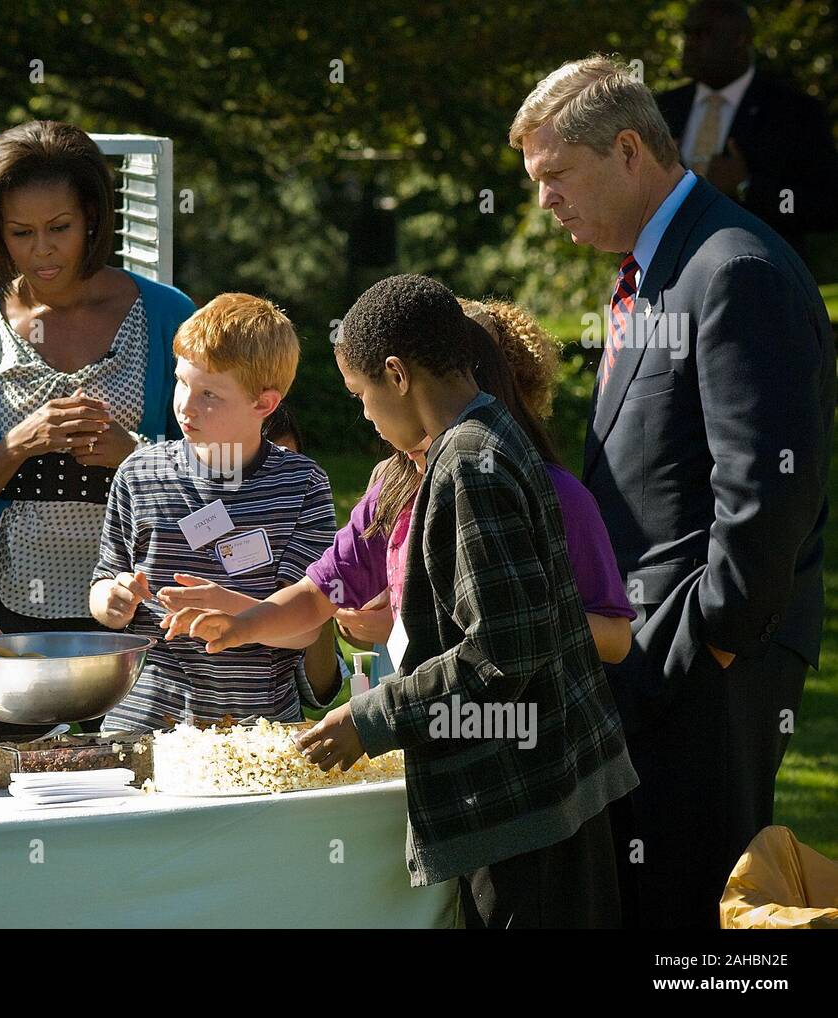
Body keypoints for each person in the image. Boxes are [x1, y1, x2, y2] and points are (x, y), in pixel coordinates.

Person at [191, 276, 639, 928]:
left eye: (361, 396)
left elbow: (500, 656)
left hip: (525, 812)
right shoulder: (492, 431)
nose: (365, 416)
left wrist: (368, 720)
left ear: (396, 374)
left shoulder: (466, 464)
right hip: (550, 792)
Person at [511, 54, 835, 927]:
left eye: (555, 177)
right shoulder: (663, 266)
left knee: (698, 920)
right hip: (652, 658)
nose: (546, 203)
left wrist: (698, 654)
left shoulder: (733, 270)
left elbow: (769, 499)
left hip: (710, 676)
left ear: (626, 149)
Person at [0, 121, 195, 739]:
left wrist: (134, 454)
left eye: (59, 228)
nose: (42, 250)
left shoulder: (167, 314)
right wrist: (19, 445)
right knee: (10, 796)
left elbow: (216, 476)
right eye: (20, 233)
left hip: (136, 601)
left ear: (94, 218)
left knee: (133, 795)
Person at [293, 299, 635, 670]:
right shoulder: (395, 488)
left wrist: (513, 619)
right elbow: (333, 588)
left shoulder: (559, 495)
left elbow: (614, 639)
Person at [90, 293, 339, 731]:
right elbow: (103, 579)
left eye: (209, 394)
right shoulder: (139, 473)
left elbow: (305, 628)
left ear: (264, 404)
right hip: (142, 722)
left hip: (254, 733)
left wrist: (232, 612)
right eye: (182, 382)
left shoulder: (302, 485)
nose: (186, 405)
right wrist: (111, 601)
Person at [655, 0, 838, 261]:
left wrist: (746, 186)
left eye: (703, 33)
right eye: (687, 33)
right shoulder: (662, 109)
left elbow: (827, 205)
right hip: (673, 273)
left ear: (741, 39)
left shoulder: (794, 110)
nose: (691, 43)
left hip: (763, 272)